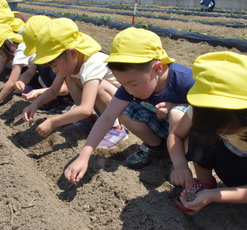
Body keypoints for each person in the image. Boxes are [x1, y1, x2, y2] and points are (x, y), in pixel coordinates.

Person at [168, 51, 247, 230]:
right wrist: (180, 165)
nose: (218, 132)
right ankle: (204, 182)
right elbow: (176, 135)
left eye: (225, 129)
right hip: (233, 162)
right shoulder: (207, 110)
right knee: (198, 130)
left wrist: (214, 195)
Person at [64, 27, 195, 185]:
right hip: (160, 125)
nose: (128, 90)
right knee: (122, 110)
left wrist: (175, 105)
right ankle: (156, 147)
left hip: (186, 134)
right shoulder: (131, 85)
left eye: (133, 84)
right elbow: (107, 116)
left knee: (177, 113)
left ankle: (179, 161)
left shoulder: (184, 80)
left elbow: (207, 112)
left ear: (158, 68)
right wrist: (83, 156)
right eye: (123, 84)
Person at [21, 18, 127, 148]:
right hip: (108, 107)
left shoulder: (93, 63)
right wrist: (35, 104)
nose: (54, 70)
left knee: (98, 87)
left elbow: (86, 109)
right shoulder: (71, 65)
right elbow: (53, 90)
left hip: (126, 108)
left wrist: (53, 122)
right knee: (70, 77)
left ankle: (117, 128)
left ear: (72, 53)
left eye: (54, 65)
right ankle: (90, 122)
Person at [14, 15, 71, 110]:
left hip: (71, 93)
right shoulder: (44, 57)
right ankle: (55, 98)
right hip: (54, 90)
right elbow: (29, 73)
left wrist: (39, 92)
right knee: (41, 66)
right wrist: (21, 81)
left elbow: (65, 88)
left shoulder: (62, 58)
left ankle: (68, 101)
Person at [0, 23, 37, 109]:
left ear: (8, 43)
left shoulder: (21, 50)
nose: (1, 56)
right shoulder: (16, 45)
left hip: (43, 74)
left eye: (0, 53)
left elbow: (12, 81)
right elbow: (1, 63)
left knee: (14, 80)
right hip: (36, 71)